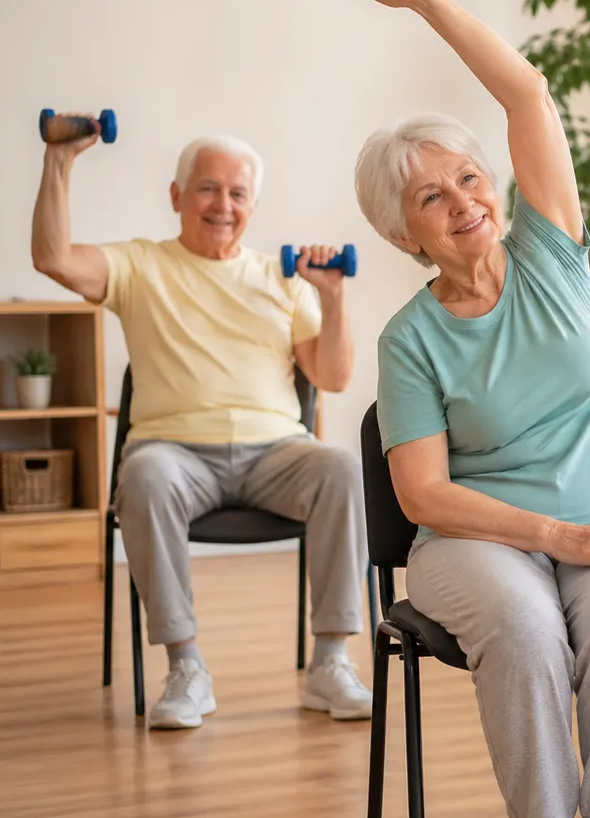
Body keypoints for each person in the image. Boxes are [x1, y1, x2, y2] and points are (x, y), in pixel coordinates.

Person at [302, 0, 590, 818]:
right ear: (405, 232)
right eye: (431, 197)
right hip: (479, 538)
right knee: (520, 624)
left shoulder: (553, 247)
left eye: (468, 177)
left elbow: (524, 89)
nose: (464, 200)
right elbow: (424, 492)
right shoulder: (409, 341)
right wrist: (551, 531)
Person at [30, 128, 372, 731]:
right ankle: (186, 669)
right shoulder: (139, 265)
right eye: (207, 189)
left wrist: (335, 297)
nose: (223, 205)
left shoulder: (284, 277)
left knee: (341, 466)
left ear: (253, 206)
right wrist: (59, 160)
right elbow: (53, 258)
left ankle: (330, 664)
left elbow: (334, 377)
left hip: (277, 454)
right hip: (175, 455)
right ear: (176, 195)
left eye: (238, 193)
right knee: (142, 475)